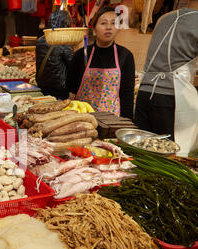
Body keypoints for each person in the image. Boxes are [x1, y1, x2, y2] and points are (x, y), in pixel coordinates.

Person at [134, 8, 198, 156]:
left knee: (143, 155)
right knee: (170, 156)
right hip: (169, 98)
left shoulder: (164, 17)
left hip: (144, 94)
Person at [66, 6, 135, 118]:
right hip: (82, 119)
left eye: (113, 23)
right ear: (94, 29)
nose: (109, 27)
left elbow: (127, 95)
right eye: (103, 23)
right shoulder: (81, 55)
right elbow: (70, 89)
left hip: (112, 121)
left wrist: (126, 124)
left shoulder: (125, 56)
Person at [36, 10, 74, 99]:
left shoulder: (41, 39)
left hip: (42, 84)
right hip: (59, 88)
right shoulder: (63, 41)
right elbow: (72, 64)